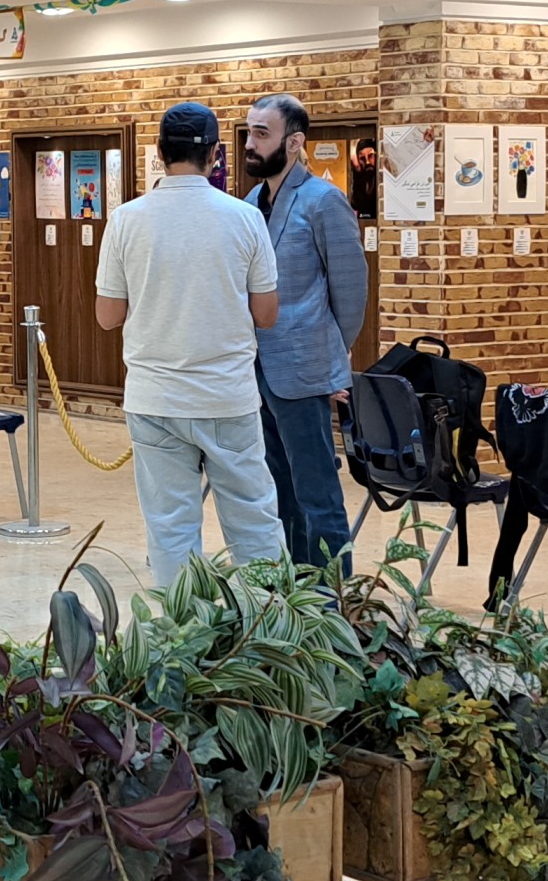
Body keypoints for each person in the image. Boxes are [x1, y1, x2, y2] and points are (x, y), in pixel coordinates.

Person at [96, 101, 286, 587]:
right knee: (253, 521)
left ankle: (182, 625)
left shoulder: (126, 220)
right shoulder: (245, 218)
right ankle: (267, 623)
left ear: (160, 153)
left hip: (154, 399)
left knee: (170, 528)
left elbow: (108, 317)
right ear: (216, 154)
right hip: (227, 397)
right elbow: (266, 316)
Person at [241, 93, 368, 577]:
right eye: (249, 132)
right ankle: (296, 593)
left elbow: (350, 291)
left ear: (294, 143)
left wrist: (331, 356)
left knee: (317, 492)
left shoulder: (323, 200)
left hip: (304, 368)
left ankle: (332, 598)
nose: (251, 144)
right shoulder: (250, 204)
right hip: (257, 369)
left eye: (262, 134)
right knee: (279, 490)